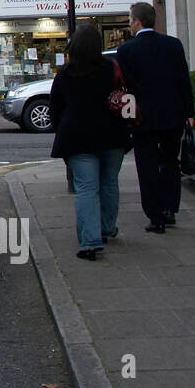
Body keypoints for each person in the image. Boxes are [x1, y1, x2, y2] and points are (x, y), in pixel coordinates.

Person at [49, 23, 130, 260]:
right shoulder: (111, 68)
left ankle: (90, 242)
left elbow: (56, 107)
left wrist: (60, 128)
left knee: (86, 188)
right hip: (112, 134)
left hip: (77, 137)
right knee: (109, 183)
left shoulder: (65, 73)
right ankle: (106, 228)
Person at [116, 1, 194, 233]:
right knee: (170, 161)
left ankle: (155, 216)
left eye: (130, 19)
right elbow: (184, 81)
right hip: (173, 115)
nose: (129, 24)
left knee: (147, 166)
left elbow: (125, 88)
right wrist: (189, 113)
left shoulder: (126, 50)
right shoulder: (173, 45)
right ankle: (170, 209)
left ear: (138, 21)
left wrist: (126, 117)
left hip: (143, 118)